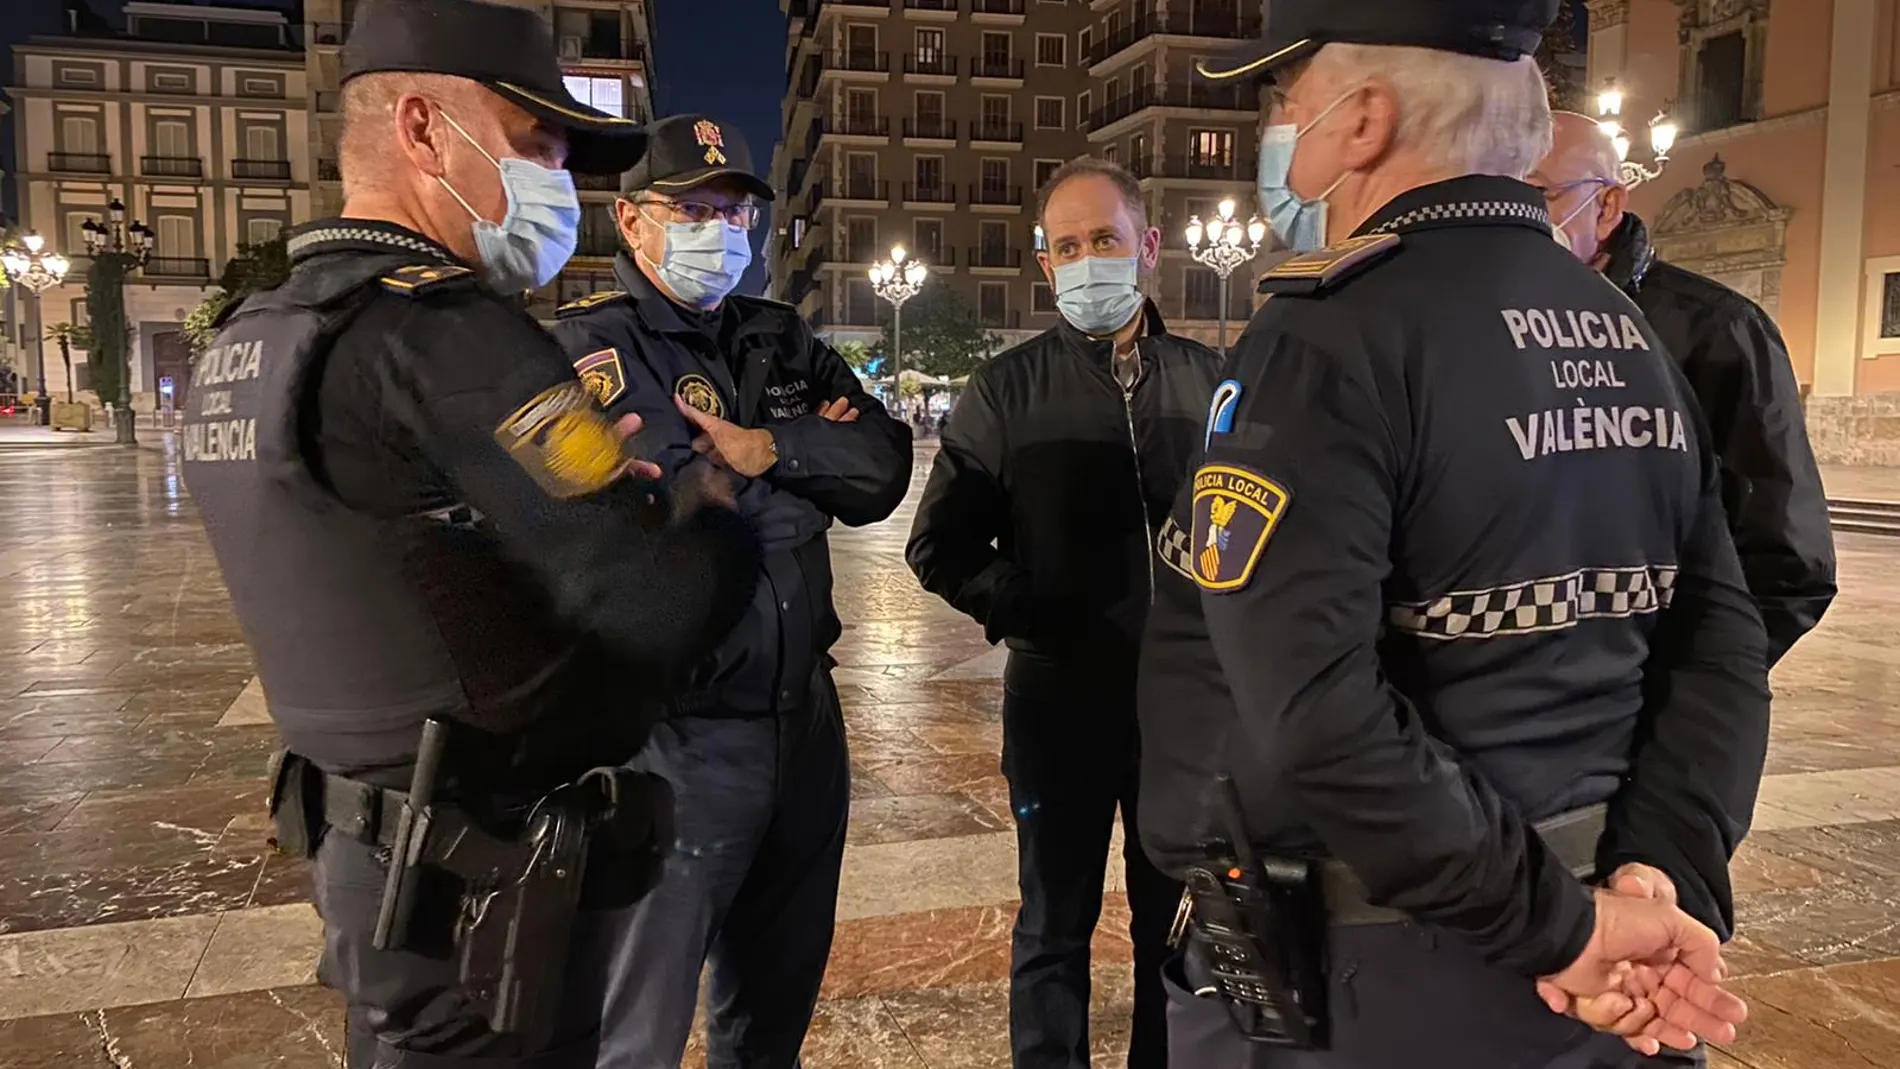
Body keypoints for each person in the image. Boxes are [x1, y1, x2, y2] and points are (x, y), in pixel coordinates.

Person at [1136, 1, 1769, 1065]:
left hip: (1388, 975)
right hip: (1602, 969)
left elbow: (1317, 709)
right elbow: (1718, 641)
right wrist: (1660, 872)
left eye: (1290, 96)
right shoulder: (1623, 329)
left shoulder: (1327, 336)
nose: (1279, 125)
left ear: (1366, 119)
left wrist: (1562, 933)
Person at [178, 3, 763, 1066]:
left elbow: (387, 557)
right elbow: (656, 594)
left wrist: (531, 516)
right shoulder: (445, 334)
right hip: (484, 890)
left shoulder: (258, 335)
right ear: (421, 128)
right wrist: (710, 512)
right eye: (535, 141)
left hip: (372, 866)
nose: (558, 176)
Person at [549, 114, 914, 1069]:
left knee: (775, 1006)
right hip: (678, 740)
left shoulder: (780, 337)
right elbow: (671, 525)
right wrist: (798, 481)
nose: (722, 230)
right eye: (694, 209)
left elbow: (881, 468)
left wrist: (767, 451)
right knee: (641, 1024)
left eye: (735, 213)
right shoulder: (591, 351)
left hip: (807, 728)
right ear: (632, 223)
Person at [907, 157, 1220, 1069]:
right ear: (1046, 265)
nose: (1087, 260)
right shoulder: (1005, 393)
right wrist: (1038, 612)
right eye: (1068, 246)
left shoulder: (1214, 383)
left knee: (1181, 929)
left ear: (1148, 247)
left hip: (1187, 715)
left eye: (1105, 240)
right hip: (1058, 710)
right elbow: (940, 546)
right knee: (1054, 922)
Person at [1535, 112, 1836, 667]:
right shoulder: (1469, 317)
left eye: (1536, 195)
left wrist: (1700, 693)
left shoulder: (1717, 330)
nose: (1512, 218)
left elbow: (1786, 557)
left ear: (1605, 207)